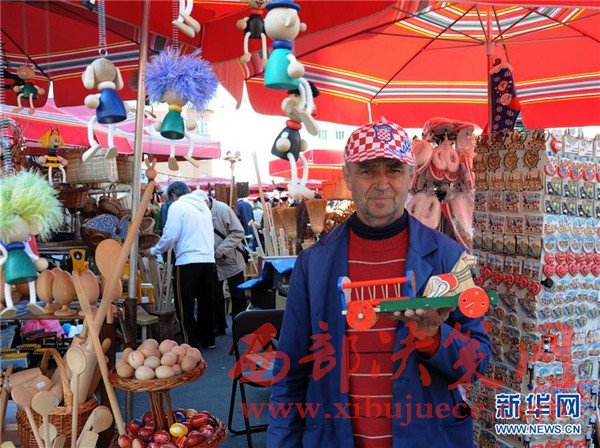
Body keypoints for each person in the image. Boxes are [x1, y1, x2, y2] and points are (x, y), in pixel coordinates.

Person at [267, 119, 491, 447]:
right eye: (368, 170)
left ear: (411, 175)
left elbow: (477, 361)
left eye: (394, 170)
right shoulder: (314, 264)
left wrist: (433, 336)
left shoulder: (449, 257)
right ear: (348, 176)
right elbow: (290, 373)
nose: (382, 183)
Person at [144, 181, 216, 349]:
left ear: (173, 195)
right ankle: (208, 340)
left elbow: (170, 235)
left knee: (185, 305)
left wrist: (154, 250)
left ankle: (190, 342)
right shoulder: (204, 207)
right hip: (208, 260)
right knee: (206, 303)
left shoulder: (178, 206)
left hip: (187, 261)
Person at [196, 190, 248, 335]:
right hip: (212, 260)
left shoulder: (223, 209)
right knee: (214, 295)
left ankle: (240, 326)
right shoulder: (197, 212)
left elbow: (238, 232)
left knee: (237, 294)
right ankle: (218, 326)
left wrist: (222, 249)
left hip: (232, 258)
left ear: (206, 201)